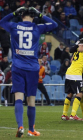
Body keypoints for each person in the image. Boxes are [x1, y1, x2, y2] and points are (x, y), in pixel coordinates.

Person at [0, 6, 57, 137]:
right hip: (32, 68)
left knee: (18, 98)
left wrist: (13, 13)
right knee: (31, 100)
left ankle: (20, 126)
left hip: (18, 67)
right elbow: (53, 24)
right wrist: (41, 15)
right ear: (33, 16)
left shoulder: (14, 26)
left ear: (21, 16)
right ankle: (31, 129)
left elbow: (2, 22)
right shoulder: (37, 27)